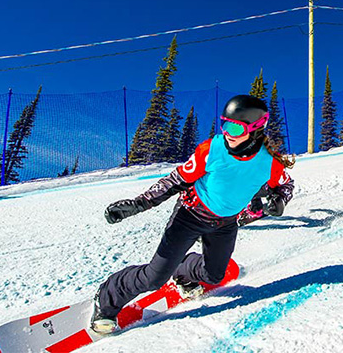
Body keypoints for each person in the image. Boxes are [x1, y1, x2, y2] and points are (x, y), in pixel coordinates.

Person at [90, 95, 295, 334]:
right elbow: (176, 179)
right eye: (224, 124)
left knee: (214, 275)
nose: (227, 132)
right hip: (189, 216)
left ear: (255, 128)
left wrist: (280, 200)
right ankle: (107, 297)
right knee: (154, 279)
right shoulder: (212, 149)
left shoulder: (268, 163)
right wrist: (139, 204)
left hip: (225, 224)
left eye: (234, 127)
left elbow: (286, 184)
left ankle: (183, 272)